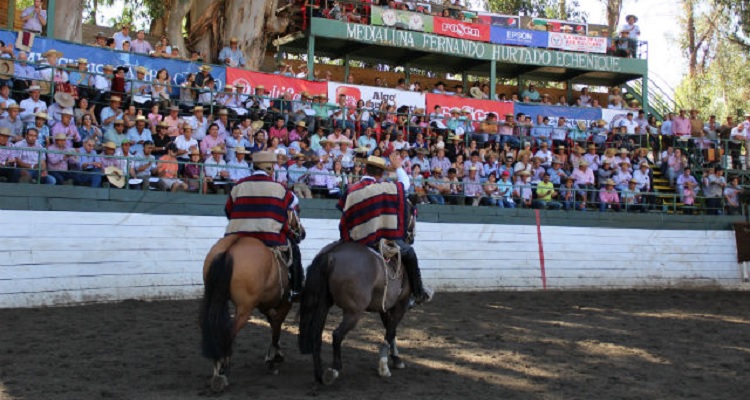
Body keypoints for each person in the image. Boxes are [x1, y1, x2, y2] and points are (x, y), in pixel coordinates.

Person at [337, 153, 433, 304]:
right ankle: (418, 292)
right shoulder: (386, 188)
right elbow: (405, 184)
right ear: (381, 173)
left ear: (364, 171)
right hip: (381, 240)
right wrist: (399, 167)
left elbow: (345, 213)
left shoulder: (351, 189)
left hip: (354, 240)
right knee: (410, 253)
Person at [224, 151, 304, 301]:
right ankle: (296, 289)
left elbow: (228, 210)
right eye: (273, 166)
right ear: (269, 168)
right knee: (294, 250)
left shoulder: (239, 185)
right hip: (269, 236)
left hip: (238, 236)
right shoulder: (279, 187)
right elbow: (292, 205)